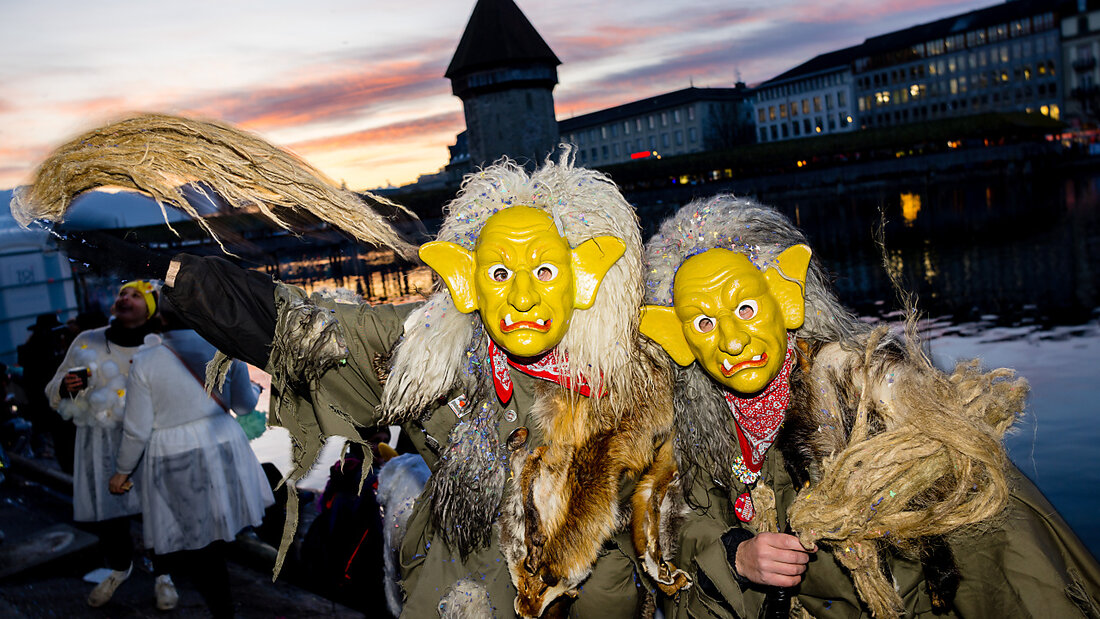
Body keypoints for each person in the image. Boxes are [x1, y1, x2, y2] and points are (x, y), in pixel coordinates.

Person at [18, 113, 676, 617]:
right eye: (502, 272)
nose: (525, 295)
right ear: (470, 282)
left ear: (583, 281)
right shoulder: (428, 354)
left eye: (544, 271)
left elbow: (692, 518)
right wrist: (178, 276)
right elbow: (303, 329)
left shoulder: (642, 385)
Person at [637, 195, 1100, 617]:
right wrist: (735, 554)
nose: (732, 341)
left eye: (744, 310)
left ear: (785, 297)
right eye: (702, 322)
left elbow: (1005, 558)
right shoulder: (691, 430)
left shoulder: (878, 399)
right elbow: (679, 547)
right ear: (677, 338)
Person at [109, 308, 273, 617]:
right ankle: (226, 605)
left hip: (175, 451)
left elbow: (136, 429)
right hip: (224, 444)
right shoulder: (226, 349)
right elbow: (243, 405)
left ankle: (221, 607)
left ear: (164, 319)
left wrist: (122, 471)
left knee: (200, 544)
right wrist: (255, 389)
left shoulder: (146, 361)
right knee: (222, 530)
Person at [44, 280, 172, 608]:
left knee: (157, 510)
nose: (124, 298)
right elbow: (53, 389)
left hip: (149, 440)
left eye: (135, 295)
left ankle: (164, 576)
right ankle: (119, 568)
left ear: (150, 308)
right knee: (111, 513)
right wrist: (68, 386)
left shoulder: (162, 345)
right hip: (100, 442)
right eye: (122, 293)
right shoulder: (87, 340)